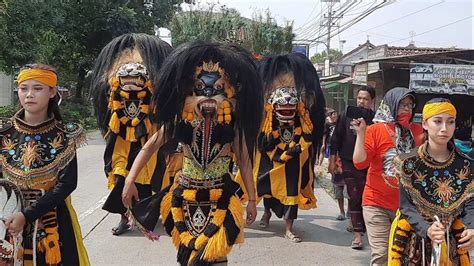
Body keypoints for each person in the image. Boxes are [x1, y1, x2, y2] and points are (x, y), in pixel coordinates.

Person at [127, 42, 263, 265]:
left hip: (221, 195)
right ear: (190, 91)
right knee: (188, 255)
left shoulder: (233, 128)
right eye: (200, 89)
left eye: (218, 89)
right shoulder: (179, 123)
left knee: (217, 254)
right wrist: (129, 181)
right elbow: (149, 146)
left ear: (228, 92)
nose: (209, 97)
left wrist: (251, 199)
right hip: (185, 196)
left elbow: (245, 163)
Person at [0, 64, 89, 265]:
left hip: (52, 221)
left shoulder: (64, 135)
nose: (29, 94)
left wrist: (27, 214)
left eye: (37, 88)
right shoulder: (3, 132)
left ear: (52, 92)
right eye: (24, 88)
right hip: (7, 215)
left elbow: (67, 184)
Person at [90, 33, 173, 235]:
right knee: (119, 173)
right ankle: (124, 216)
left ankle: (160, 212)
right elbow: (107, 103)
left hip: (150, 134)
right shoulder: (113, 82)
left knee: (156, 173)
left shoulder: (154, 83)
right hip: (122, 137)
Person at [388, 98, 474, 265]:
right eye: (437, 121)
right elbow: (406, 207)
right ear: (425, 124)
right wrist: (426, 229)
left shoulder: (466, 165)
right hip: (414, 242)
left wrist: (471, 227)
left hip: (451, 243)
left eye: (450, 122)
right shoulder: (408, 163)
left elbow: (470, 202)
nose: (444, 128)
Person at [253, 53, 325, 242]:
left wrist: (296, 150)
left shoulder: (302, 115)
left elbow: (308, 134)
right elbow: (263, 138)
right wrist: (276, 153)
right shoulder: (268, 117)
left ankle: (288, 228)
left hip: (294, 158)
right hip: (271, 155)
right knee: (268, 184)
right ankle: (266, 213)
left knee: (291, 190)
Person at [352, 87, 424, 265]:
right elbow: (360, 162)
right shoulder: (376, 130)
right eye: (402, 105)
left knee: (406, 256)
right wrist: (361, 134)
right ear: (391, 105)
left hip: (408, 207)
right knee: (382, 254)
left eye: (409, 105)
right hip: (376, 204)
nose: (406, 109)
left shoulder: (419, 132)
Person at [329, 86, 375, 249]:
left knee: (368, 198)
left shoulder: (376, 120)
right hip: (349, 162)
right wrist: (332, 160)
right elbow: (335, 139)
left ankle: (368, 228)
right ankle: (357, 235)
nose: (362, 102)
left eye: (366, 99)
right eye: (359, 98)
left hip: (370, 165)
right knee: (355, 196)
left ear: (372, 101)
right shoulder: (344, 116)